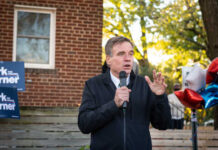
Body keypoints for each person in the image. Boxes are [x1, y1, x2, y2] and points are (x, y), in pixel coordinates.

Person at [78, 36, 171, 150]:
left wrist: (160, 97)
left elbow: (163, 124)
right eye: (121, 54)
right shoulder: (93, 85)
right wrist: (113, 105)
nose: (128, 58)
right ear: (108, 60)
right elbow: (84, 124)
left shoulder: (144, 85)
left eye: (130, 54)